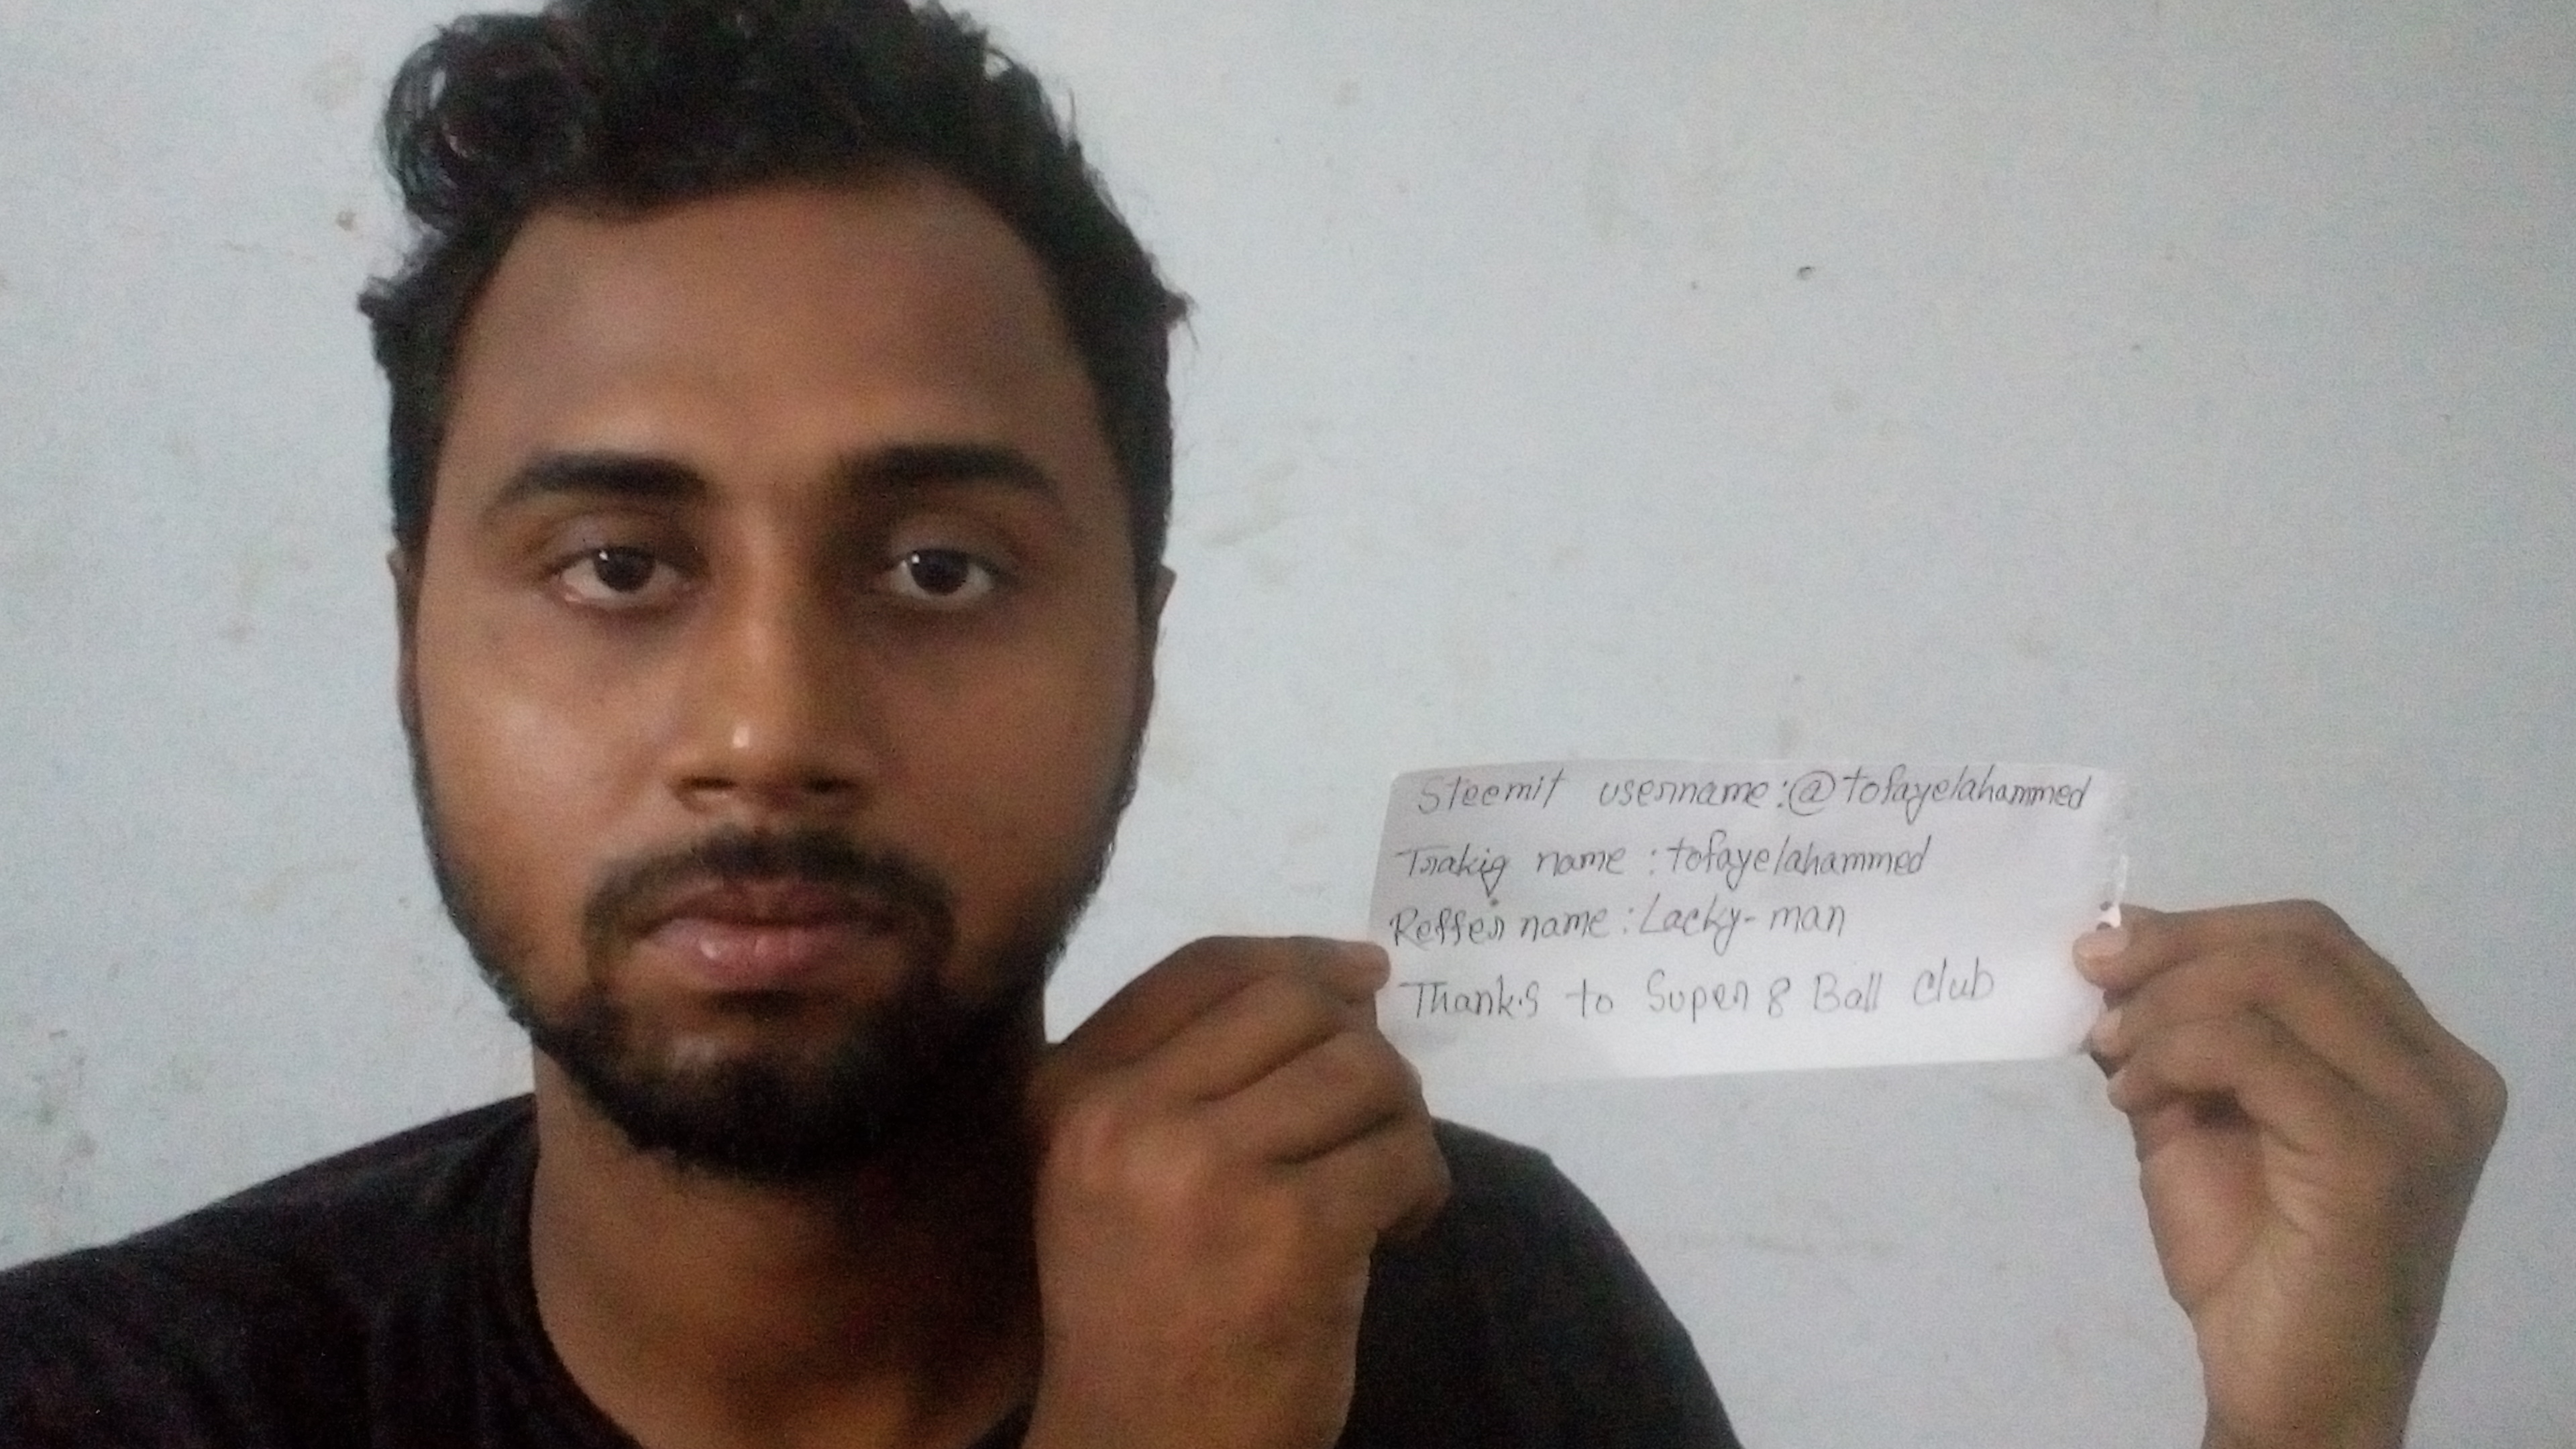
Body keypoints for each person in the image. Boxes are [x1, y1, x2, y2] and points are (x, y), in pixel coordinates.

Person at [0, 2, 2506, 1446]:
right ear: (410, 636)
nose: (767, 727)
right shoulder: (109, 1407)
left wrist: (2303, 1414)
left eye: (939, 566)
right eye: (618, 567)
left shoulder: (1480, 1310)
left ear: (1145, 647)